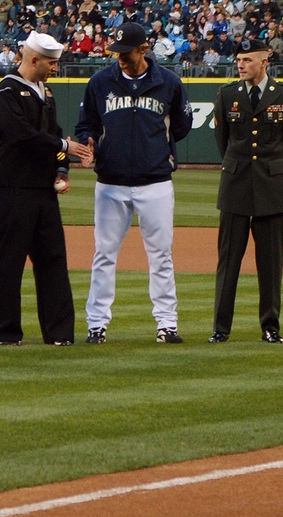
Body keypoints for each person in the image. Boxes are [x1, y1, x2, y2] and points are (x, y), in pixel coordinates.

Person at [75, 22, 193, 344]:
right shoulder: (101, 82)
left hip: (155, 181)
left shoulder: (168, 82)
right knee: (104, 254)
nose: (120, 58)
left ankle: (167, 324)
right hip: (110, 183)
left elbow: (181, 126)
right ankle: (96, 324)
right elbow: (86, 124)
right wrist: (89, 146)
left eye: (126, 53)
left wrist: (155, 148)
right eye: (117, 53)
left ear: (144, 49)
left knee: (161, 256)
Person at [0, 33, 93, 346]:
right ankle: (5, 333)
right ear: (34, 60)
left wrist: (62, 167)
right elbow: (22, 134)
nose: (55, 68)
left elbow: (55, 134)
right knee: (9, 261)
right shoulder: (6, 90)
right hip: (12, 188)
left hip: (43, 190)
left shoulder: (45, 92)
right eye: (51, 62)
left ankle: (59, 332)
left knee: (53, 260)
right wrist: (64, 146)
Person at [210, 39, 283, 344]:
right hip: (236, 185)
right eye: (239, 59)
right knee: (228, 262)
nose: (241, 65)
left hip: (272, 187)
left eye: (248, 60)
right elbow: (223, 141)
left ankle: (270, 327)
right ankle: (221, 328)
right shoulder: (226, 94)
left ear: (265, 61)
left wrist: (274, 169)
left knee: (271, 264)